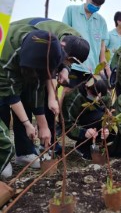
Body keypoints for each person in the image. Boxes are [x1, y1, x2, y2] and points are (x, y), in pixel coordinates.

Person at [8, 17, 90, 157]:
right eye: (68, 61)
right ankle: (25, 150)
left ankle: (48, 142)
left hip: (41, 59)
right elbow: (45, 72)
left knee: (48, 104)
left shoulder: (76, 41)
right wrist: (51, 98)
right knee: (26, 98)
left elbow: (60, 62)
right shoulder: (45, 41)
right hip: (21, 54)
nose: (68, 63)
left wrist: (65, 69)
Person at [0, 31, 69, 177]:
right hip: (3, 76)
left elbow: (37, 89)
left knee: (26, 100)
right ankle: (2, 155)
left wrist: (43, 126)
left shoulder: (46, 46)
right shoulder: (8, 54)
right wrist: (27, 123)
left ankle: (24, 153)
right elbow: (11, 95)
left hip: (20, 72)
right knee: (2, 108)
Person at [62, 0, 108, 87]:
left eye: (98, 5)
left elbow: (102, 47)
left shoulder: (101, 22)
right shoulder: (71, 11)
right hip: (73, 65)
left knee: (87, 98)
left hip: (92, 69)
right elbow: (64, 36)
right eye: (93, 3)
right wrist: (63, 65)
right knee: (67, 94)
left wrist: (102, 69)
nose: (95, 6)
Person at [62, 76, 111, 159]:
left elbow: (109, 108)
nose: (96, 98)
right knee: (100, 117)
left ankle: (98, 143)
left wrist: (107, 126)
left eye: (99, 96)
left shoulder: (102, 93)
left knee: (104, 118)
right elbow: (68, 124)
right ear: (86, 87)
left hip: (95, 117)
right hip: (80, 124)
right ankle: (82, 146)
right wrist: (83, 132)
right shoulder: (73, 98)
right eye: (94, 95)